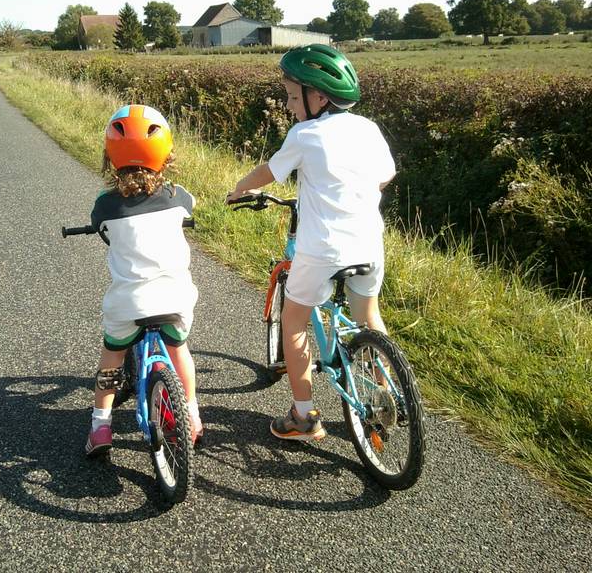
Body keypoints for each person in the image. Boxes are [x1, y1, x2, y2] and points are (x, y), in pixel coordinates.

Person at [226, 44, 396, 442]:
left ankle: (303, 416)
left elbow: (270, 171)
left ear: (318, 96)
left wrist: (238, 189)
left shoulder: (305, 133)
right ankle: (387, 392)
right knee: (368, 316)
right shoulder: (368, 128)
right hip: (369, 241)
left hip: (323, 249)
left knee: (295, 321)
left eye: (290, 95)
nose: (288, 104)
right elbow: (384, 176)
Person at [85, 104, 202, 457]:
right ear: (166, 153)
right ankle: (193, 416)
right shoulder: (177, 196)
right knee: (180, 351)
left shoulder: (105, 205)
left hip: (129, 303)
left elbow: (101, 228)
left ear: (110, 157)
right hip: (175, 297)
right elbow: (191, 207)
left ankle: (101, 424)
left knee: (112, 358)